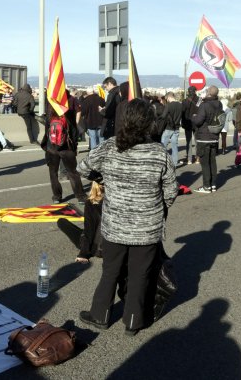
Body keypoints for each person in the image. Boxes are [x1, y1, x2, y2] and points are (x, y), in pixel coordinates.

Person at [77, 99, 178, 336]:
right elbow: (171, 191)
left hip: (115, 225)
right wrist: (158, 209)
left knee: (110, 271)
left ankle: (100, 315)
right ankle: (133, 321)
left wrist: (102, 179)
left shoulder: (110, 146)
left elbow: (82, 167)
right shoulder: (158, 152)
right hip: (147, 227)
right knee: (140, 275)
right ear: (149, 123)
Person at [41, 98, 86, 203]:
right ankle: (80, 196)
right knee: (73, 172)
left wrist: (46, 146)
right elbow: (74, 132)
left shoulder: (49, 112)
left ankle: (57, 197)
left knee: (53, 173)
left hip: (52, 147)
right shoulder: (69, 113)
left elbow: (47, 130)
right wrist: (74, 147)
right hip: (67, 147)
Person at [192, 86, 222, 193]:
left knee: (205, 163)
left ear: (208, 93)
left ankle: (206, 186)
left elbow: (198, 121)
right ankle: (213, 184)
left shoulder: (204, 105)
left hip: (204, 137)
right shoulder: (219, 104)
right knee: (212, 162)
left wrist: (194, 117)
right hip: (214, 137)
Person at [161, 92, 182, 166]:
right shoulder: (180, 105)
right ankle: (175, 163)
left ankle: (161, 162)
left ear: (169, 97)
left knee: (163, 146)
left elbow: (163, 116)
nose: (167, 100)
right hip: (176, 128)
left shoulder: (168, 106)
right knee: (174, 146)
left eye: (167, 99)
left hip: (168, 128)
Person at [182, 86, 198, 164]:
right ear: (195, 91)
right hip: (197, 122)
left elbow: (182, 112)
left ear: (188, 92)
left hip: (187, 123)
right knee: (197, 140)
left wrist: (182, 123)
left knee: (189, 141)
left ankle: (189, 159)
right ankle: (198, 158)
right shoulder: (199, 100)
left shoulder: (185, 101)